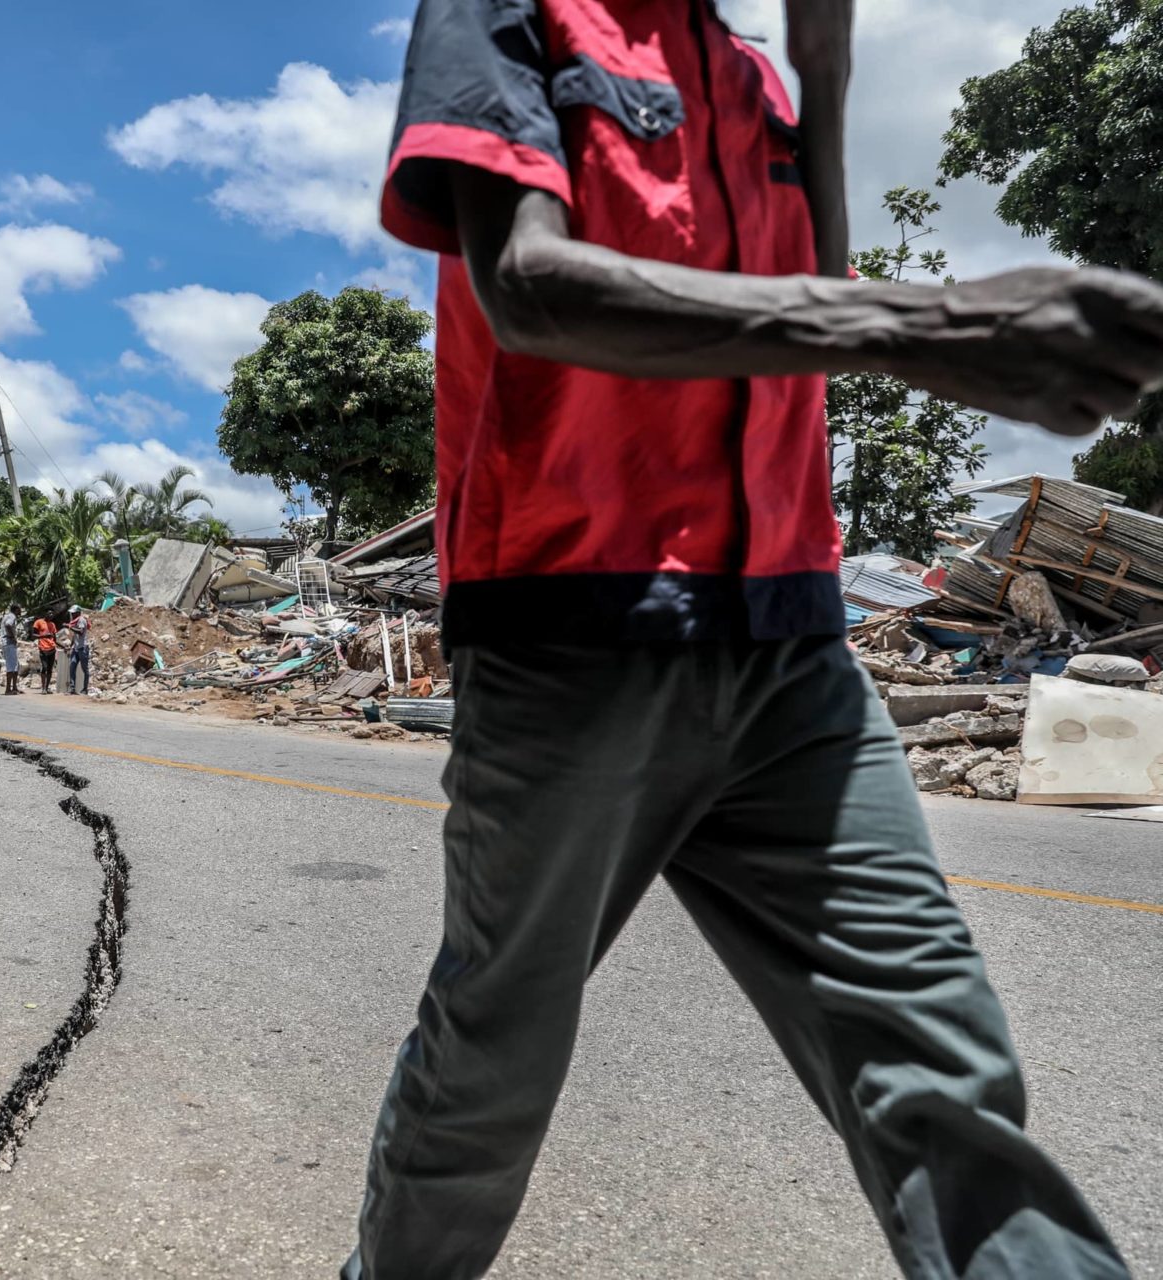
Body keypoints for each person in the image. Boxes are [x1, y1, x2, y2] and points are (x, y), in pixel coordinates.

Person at [348, 3, 1163, 1277]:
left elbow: (812, 284)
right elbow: (528, 285)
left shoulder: (747, 72)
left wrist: (824, 68)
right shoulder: (523, 14)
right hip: (578, 633)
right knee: (491, 1072)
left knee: (942, 1073)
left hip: (791, 645)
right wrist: (931, 323)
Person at [65, 604, 91, 694]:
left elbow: (80, 632)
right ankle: (72, 688)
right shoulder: (75, 621)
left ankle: (85, 689)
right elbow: (75, 636)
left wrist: (69, 627)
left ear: (78, 613)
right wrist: (71, 645)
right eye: (72, 613)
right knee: (72, 667)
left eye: (74, 613)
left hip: (83, 648)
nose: (72, 615)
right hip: (76, 648)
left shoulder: (81, 620)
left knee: (85, 669)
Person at [0, 601, 24, 695]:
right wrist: (13, 637)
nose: (20, 611)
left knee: (15, 665)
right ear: (16, 609)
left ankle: (14, 687)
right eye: (20, 609)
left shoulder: (7, 616)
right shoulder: (12, 616)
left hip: (6, 643)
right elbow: (8, 625)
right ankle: (8, 689)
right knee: (11, 666)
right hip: (9, 642)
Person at [33, 611, 58, 693]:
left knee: (50, 669)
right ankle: (43, 687)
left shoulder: (52, 624)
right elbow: (33, 635)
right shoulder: (39, 622)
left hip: (52, 649)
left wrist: (62, 646)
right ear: (45, 614)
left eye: (52, 614)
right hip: (43, 648)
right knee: (44, 667)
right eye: (49, 613)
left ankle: (46, 688)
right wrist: (44, 636)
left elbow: (55, 638)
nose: (51, 615)